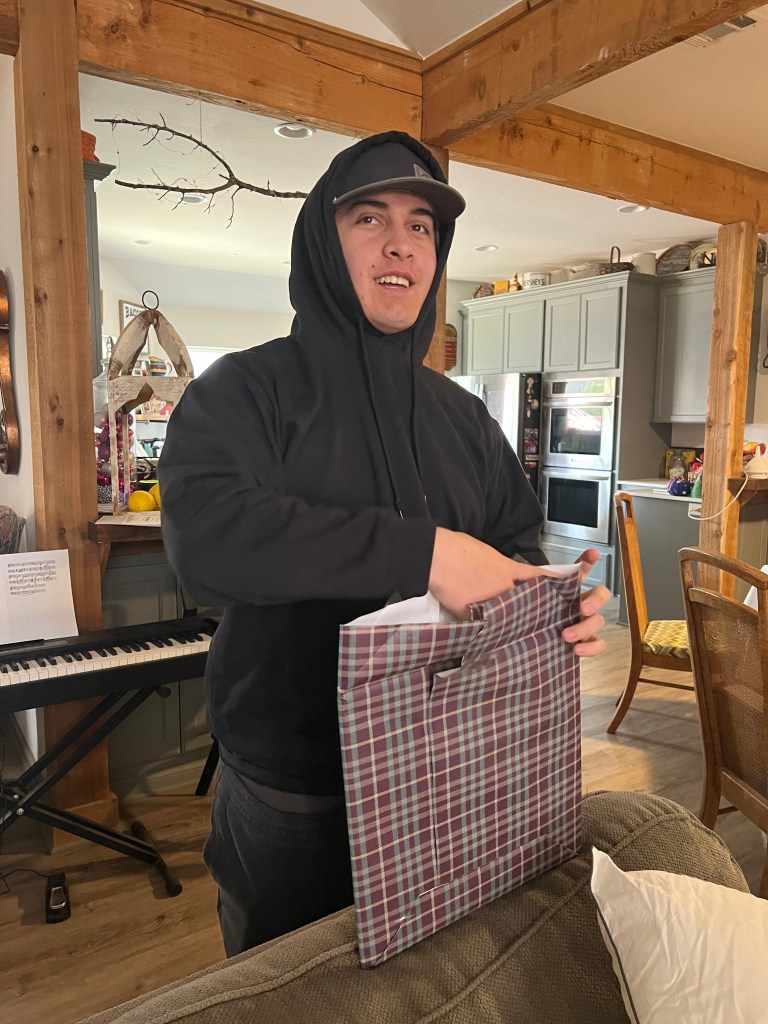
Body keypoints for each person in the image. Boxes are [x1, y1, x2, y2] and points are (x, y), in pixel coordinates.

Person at [159, 131, 609, 957]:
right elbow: (210, 541)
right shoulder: (245, 390)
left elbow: (514, 547)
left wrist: (558, 604)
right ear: (323, 243)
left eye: (422, 226)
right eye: (370, 217)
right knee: (288, 995)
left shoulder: (463, 416)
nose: (401, 243)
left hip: (451, 767)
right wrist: (427, 553)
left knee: (432, 981)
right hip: (298, 791)